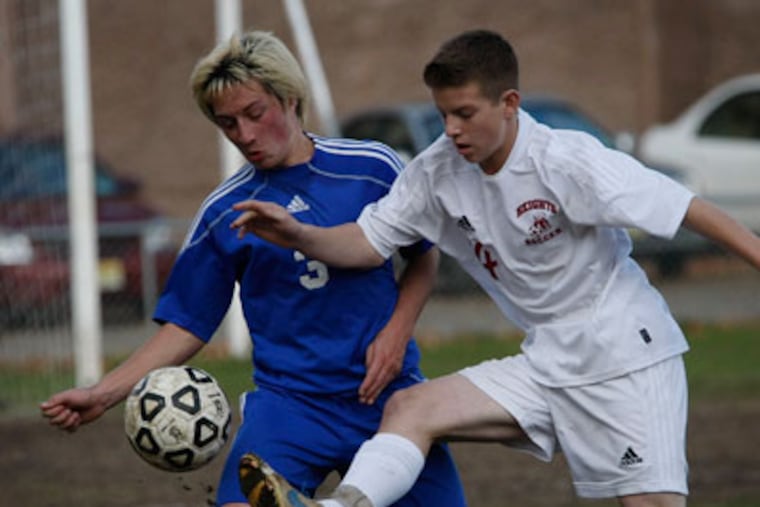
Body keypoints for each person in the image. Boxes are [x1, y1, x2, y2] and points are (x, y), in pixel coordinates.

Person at [229, 29, 760, 507]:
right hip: (548, 359)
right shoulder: (436, 171)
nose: (451, 129)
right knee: (412, 409)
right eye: (443, 114)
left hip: (625, 357)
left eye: (464, 113)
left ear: (509, 104)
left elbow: (685, 206)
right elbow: (367, 243)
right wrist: (299, 234)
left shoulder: (565, 160)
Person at [39, 30, 467, 507]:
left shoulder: (371, 168)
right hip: (291, 408)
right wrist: (102, 394)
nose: (244, 135)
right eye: (227, 124)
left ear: (290, 99)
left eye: (254, 114)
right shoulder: (225, 212)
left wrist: (396, 333)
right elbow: (187, 324)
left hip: (390, 400)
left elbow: (423, 254)